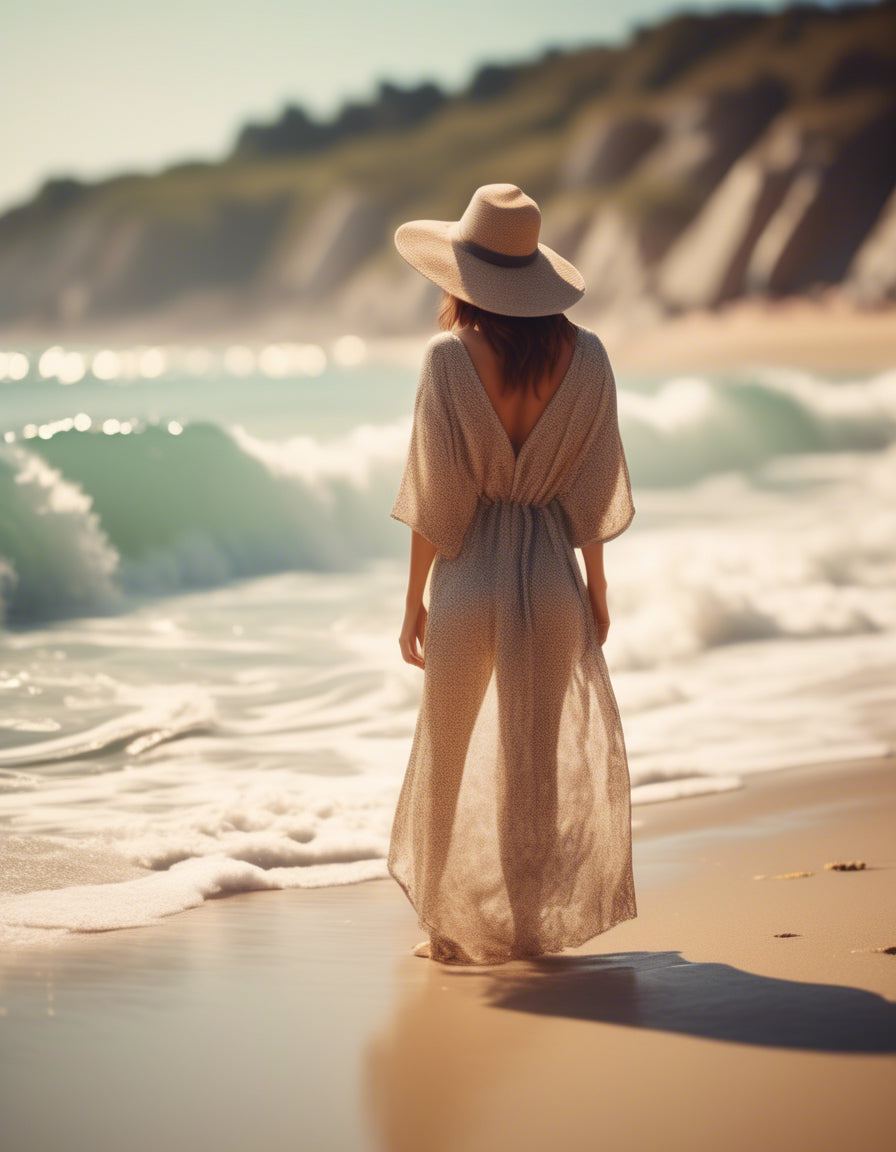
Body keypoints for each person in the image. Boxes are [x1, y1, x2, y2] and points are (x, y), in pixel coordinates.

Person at [388, 183, 637, 965]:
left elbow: (439, 500)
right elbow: (593, 487)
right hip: (552, 578)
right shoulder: (588, 356)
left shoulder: (448, 359)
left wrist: (413, 602)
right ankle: (532, 926)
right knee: (536, 767)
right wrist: (596, 590)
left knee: (446, 752)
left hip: (469, 581)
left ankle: (443, 930)